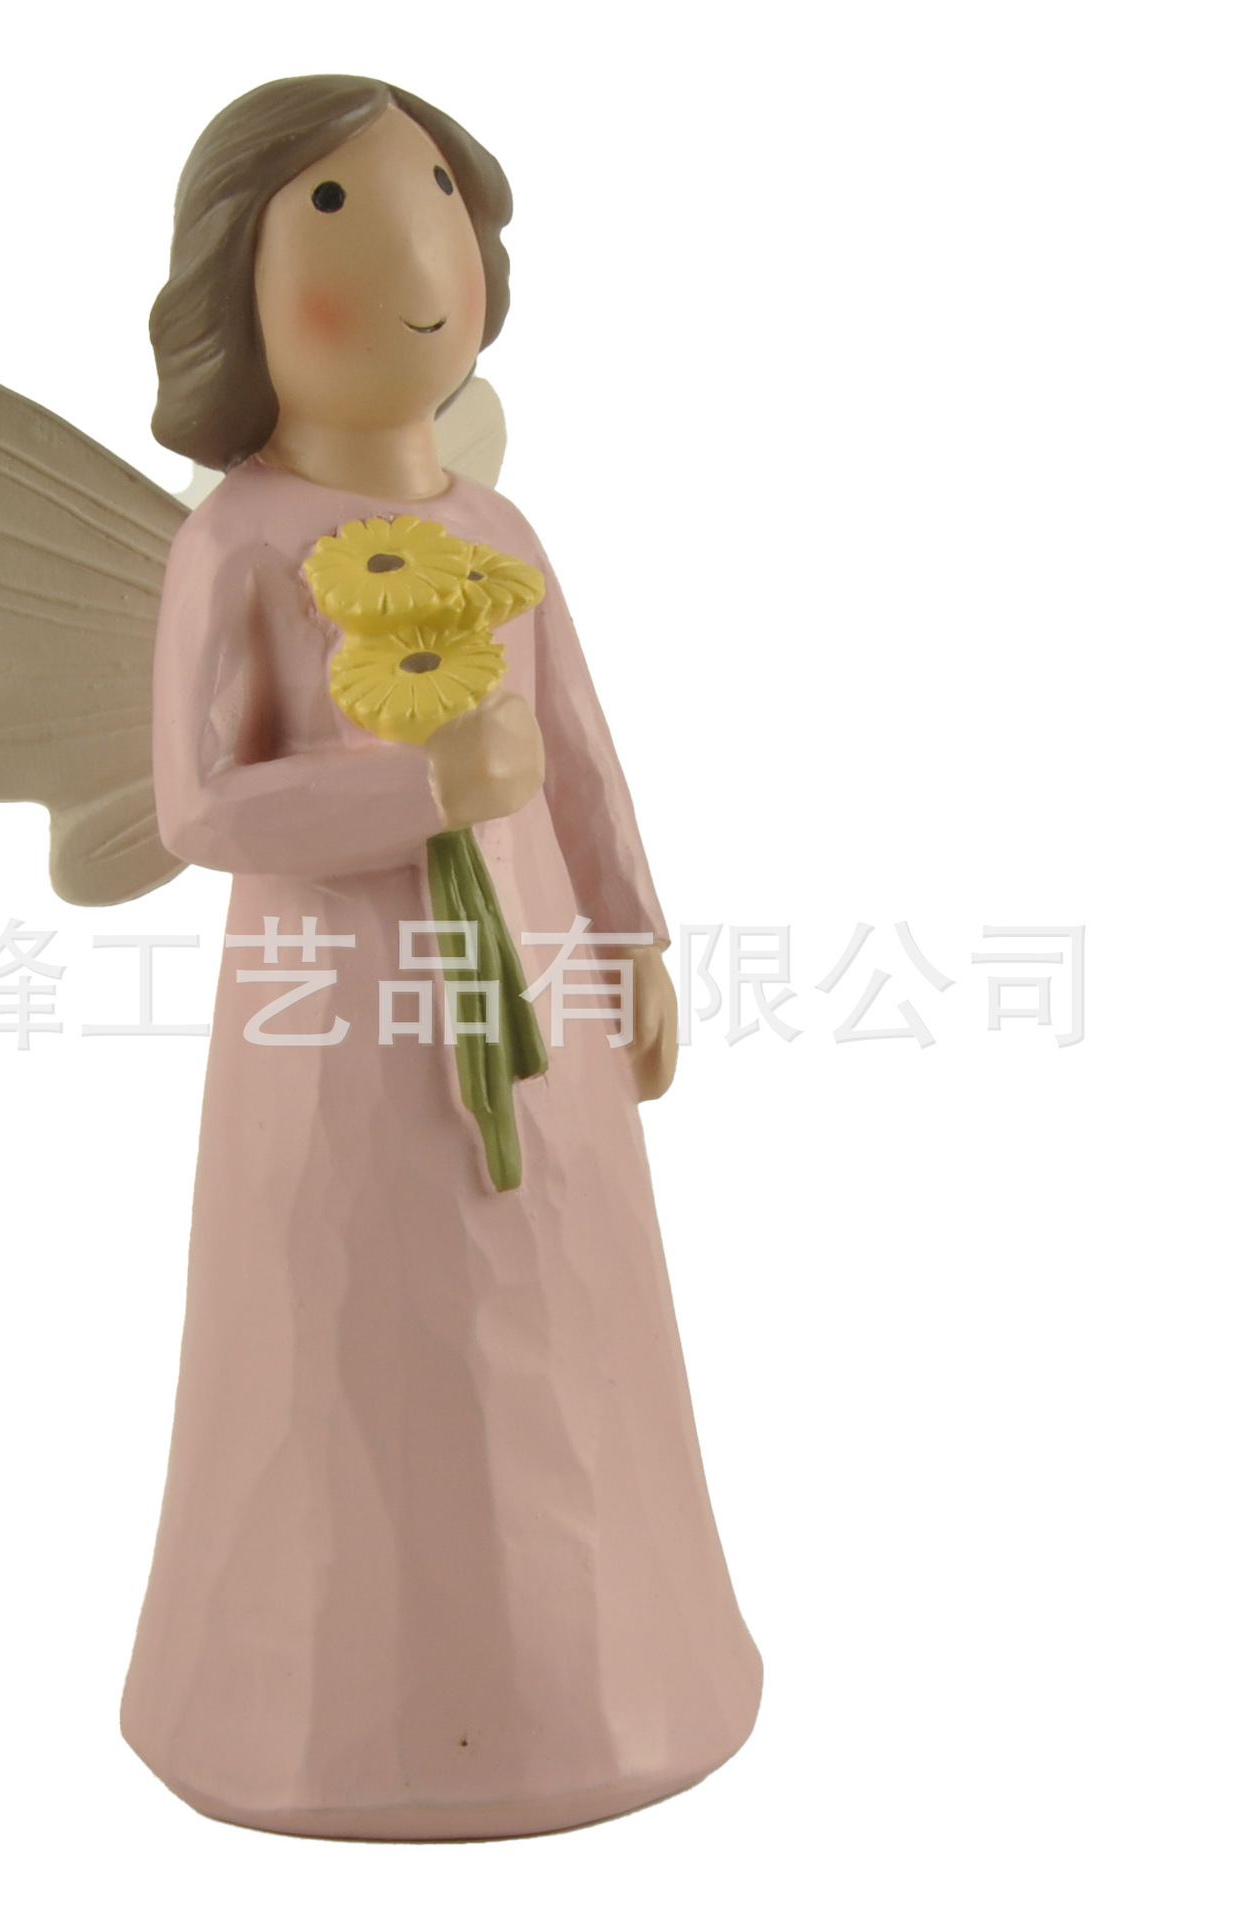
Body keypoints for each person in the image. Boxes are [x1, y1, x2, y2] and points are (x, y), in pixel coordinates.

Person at [120, 76, 762, 1842]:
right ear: (239, 290)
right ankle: (311, 1712)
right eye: (334, 212)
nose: (413, 256)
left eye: (431, 199)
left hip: (539, 997)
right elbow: (201, 804)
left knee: (562, 1307)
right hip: (332, 1024)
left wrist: (631, 932)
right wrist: (420, 792)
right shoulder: (237, 543)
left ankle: (618, 1668)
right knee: (352, 1329)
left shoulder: (499, 532)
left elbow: (581, 754)